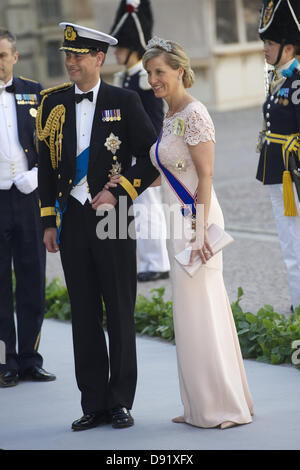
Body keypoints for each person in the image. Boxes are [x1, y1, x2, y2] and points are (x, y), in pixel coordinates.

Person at [106, 37, 254, 428]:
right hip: (178, 219)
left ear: (179, 71)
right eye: (149, 72)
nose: (153, 79)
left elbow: (205, 175)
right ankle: (198, 404)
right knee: (190, 314)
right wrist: (126, 181)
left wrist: (201, 228)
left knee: (202, 310)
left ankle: (223, 406)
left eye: (160, 72)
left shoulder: (194, 113)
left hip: (195, 220)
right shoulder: (170, 115)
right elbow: (170, 174)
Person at [37, 22, 159, 430]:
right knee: (85, 313)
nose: (71, 62)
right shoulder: (52, 105)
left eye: (78, 56)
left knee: (120, 310)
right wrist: (49, 221)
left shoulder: (124, 100)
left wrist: (121, 190)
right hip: (71, 220)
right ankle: (94, 401)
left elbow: (150, 156)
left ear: (99, 59)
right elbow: (47, 170)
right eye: (67, 56)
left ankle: (121, 399)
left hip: (114, 217)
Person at [0, 28, 55, 388]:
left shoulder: (35, 93)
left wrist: (37, 176)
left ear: (15, 57)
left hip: (27, 196)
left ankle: (31, 358)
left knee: (33, 278)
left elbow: (51, 145)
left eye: (2, 55)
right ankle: (6, 361)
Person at [110, 0, 170, 282]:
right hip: (131, 154)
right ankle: (148, 260)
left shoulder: (144, 80)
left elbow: (152, 121)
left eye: (121, 48)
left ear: (133, 48)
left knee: (149, 207)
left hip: (145, 153)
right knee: (139, 208)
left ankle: (157, 261)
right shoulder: (125, 79)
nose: (117, 53)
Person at [256, 0, 300, 311]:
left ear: (288, 47)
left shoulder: (297, 80)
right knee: (289, 243)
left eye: (271, 42)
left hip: (293, 170)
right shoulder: (278, 76)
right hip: (276, 168)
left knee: (296, 242)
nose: (266, 48)